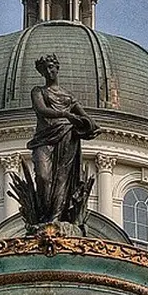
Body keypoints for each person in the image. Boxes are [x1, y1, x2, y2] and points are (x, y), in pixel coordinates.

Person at [27, 54, 100, 223]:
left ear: (57, 68)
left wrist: (90, 126)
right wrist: (66, 114)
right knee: (43, 177)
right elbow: (42, 110)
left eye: (52, 67)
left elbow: (87, 118)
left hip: (67, 135)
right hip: (45, 138)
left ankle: (55, 218)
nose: (49, 71)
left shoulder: (68, 96)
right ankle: (44, 216)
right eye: (45, 69)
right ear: (41, 72)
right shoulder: (38, 91)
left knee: (62, 177)